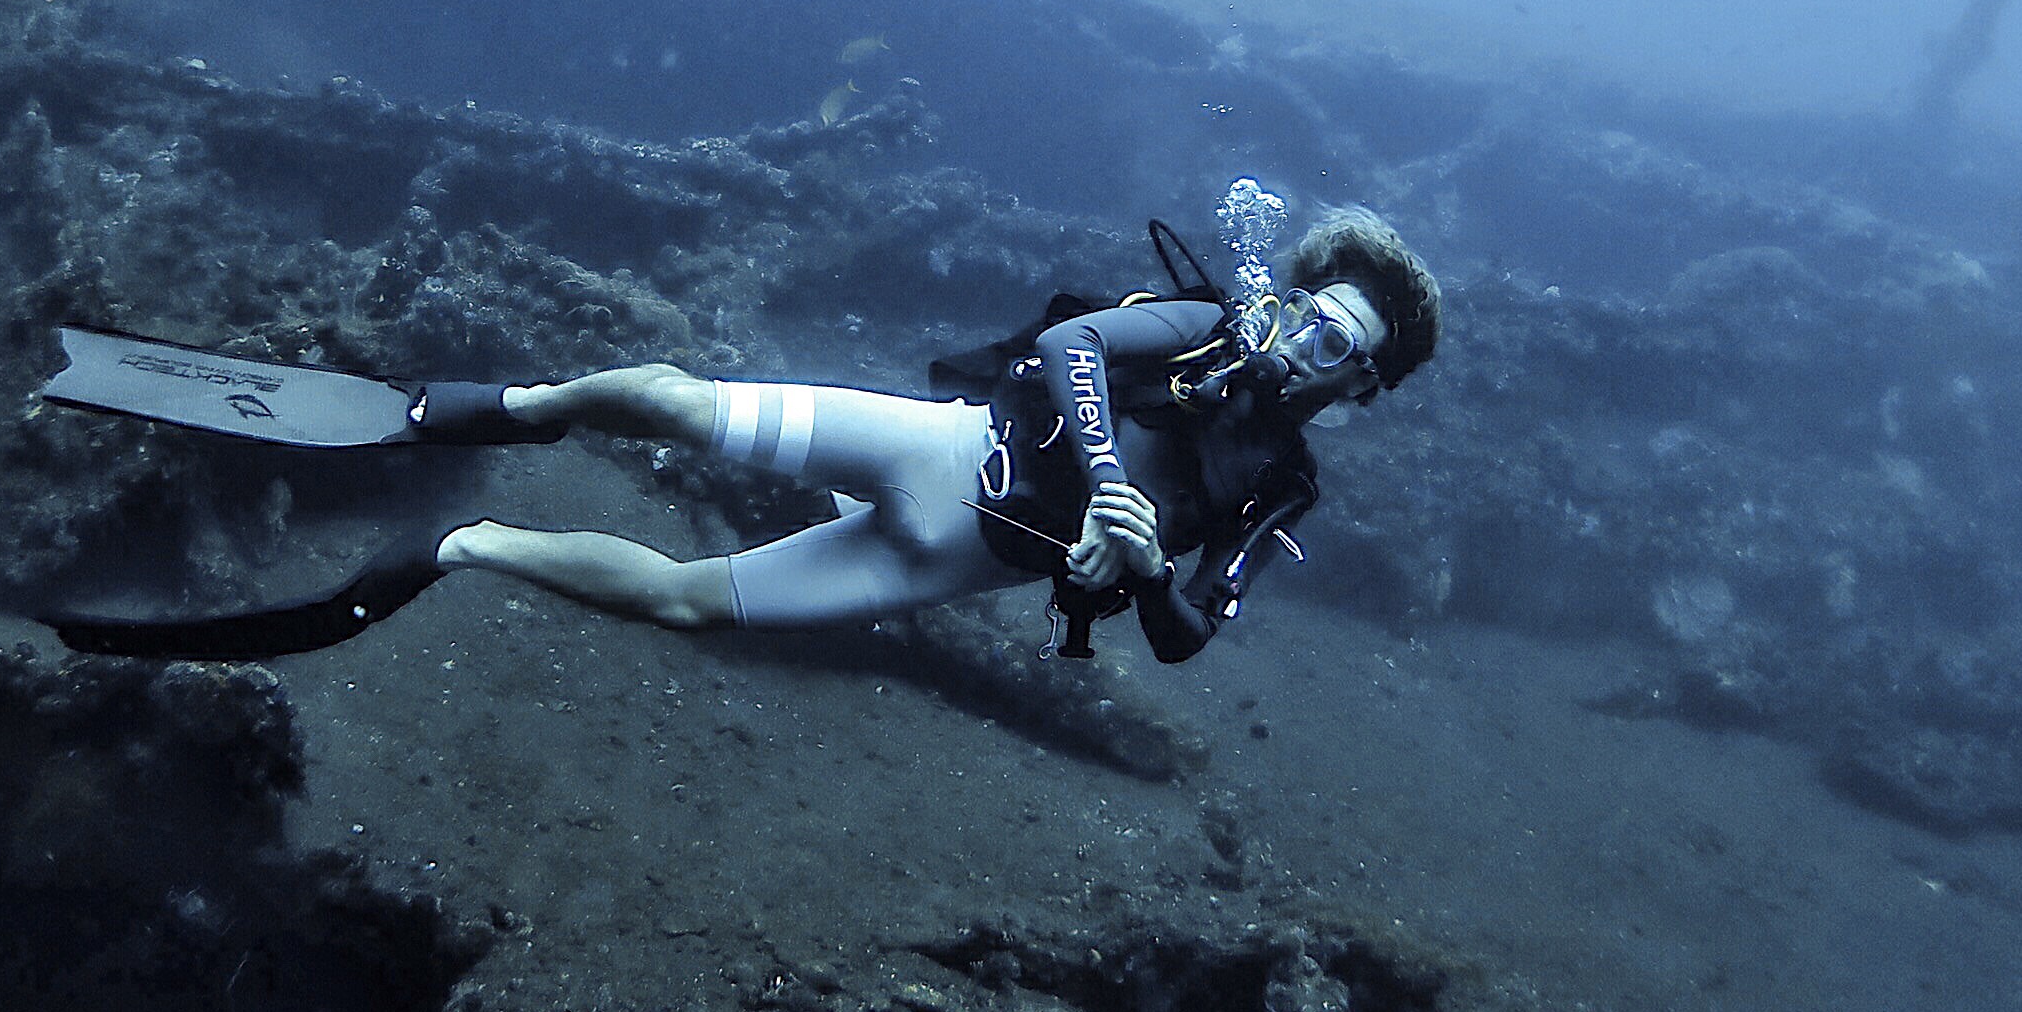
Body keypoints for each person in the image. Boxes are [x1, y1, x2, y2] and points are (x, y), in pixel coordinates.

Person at [426, 205, 1441, 660]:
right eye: (1310, 318)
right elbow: (1072, 342)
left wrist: (1142, 570)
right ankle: (523, 408)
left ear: (1362, 383)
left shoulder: (1282, 487)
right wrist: (1106, 482)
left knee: (683, 604)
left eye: (1340, 347)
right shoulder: (1204, 330)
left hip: (941, 564)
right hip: (934, 450)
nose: (1308, 347)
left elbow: (1186, 639)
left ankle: (467, 545)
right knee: (674, 403)